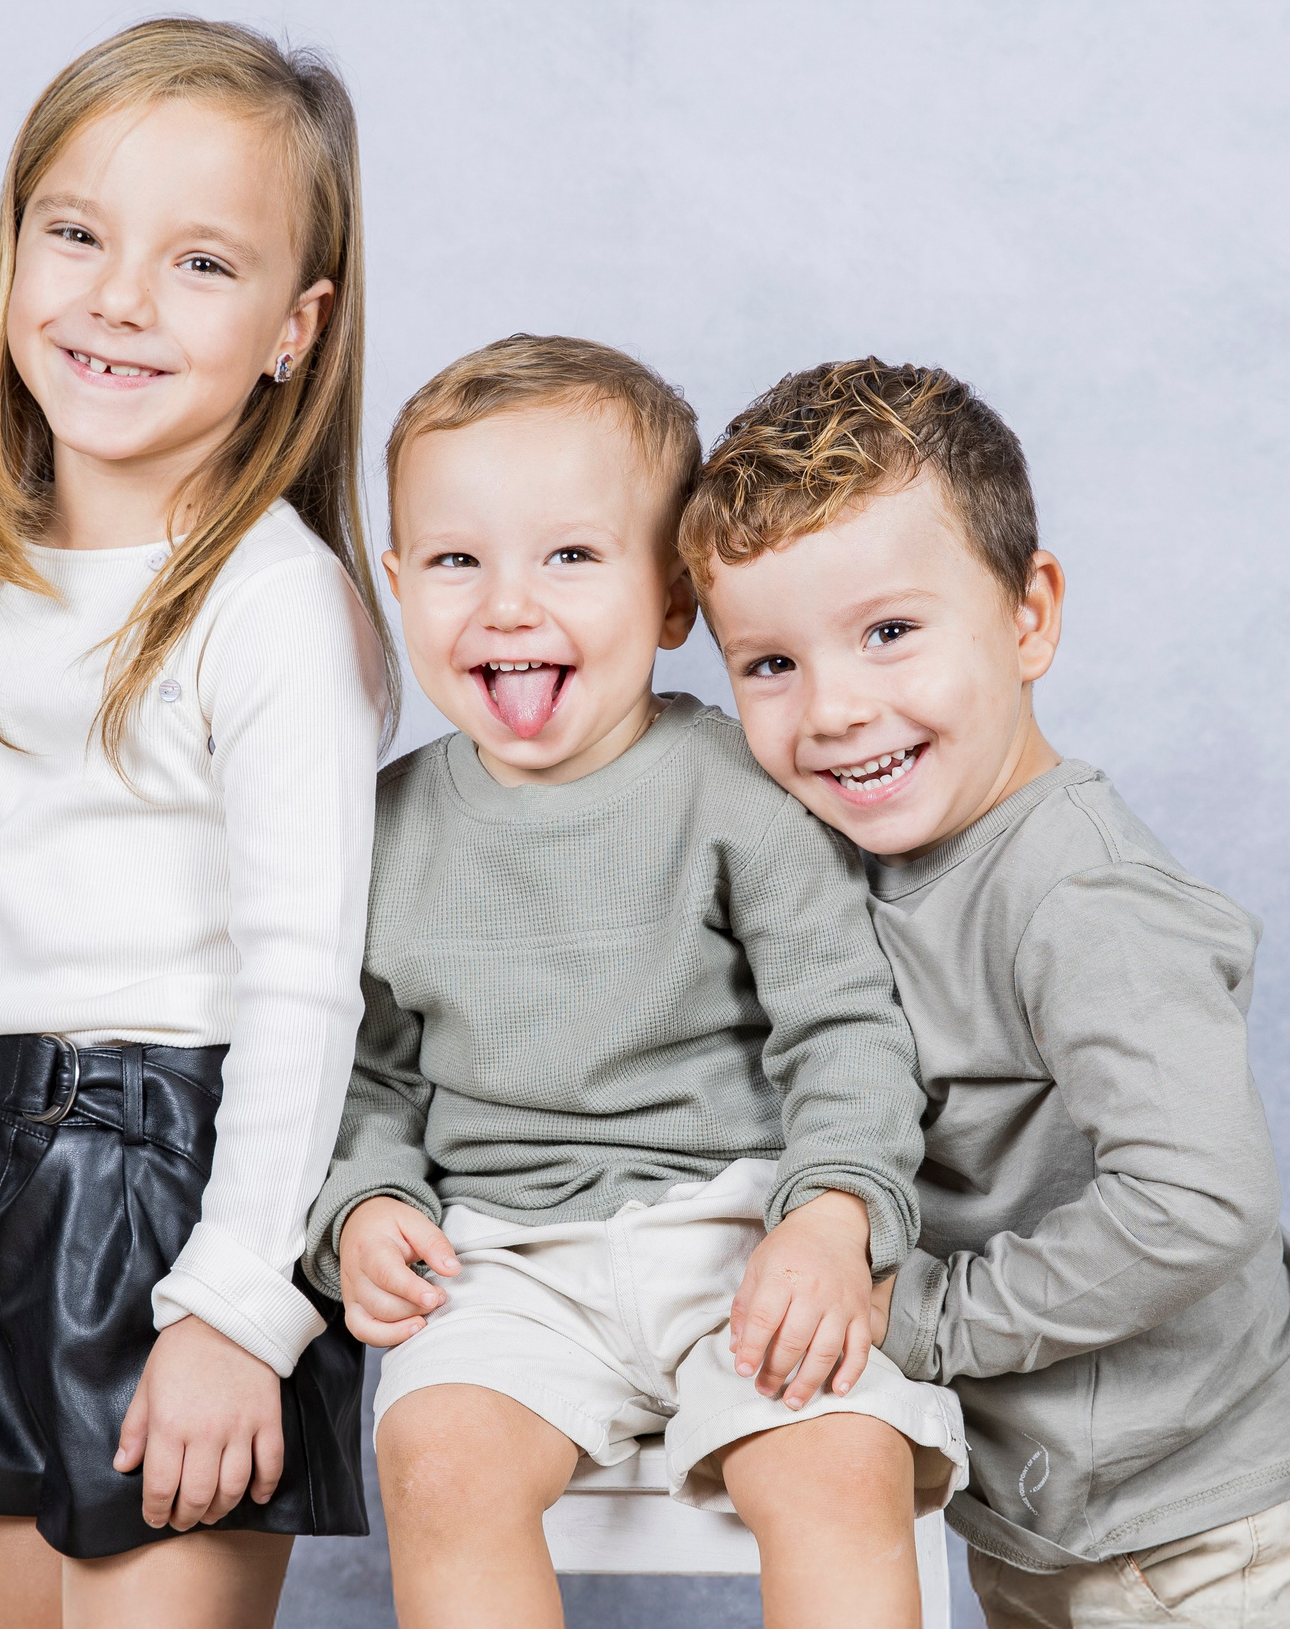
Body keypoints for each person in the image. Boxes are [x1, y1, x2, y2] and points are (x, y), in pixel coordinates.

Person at [0, 18, 390, 1629]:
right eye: (75, 232)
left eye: (201, 262)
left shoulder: (272, 603)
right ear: (11, 253)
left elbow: (305, 981)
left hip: (185, 1173)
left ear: (297, 327)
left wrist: (232, 1310)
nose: (119, 297)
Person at [684, 359, 1290, 1628]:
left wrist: (927, 1319)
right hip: (1043, 1514)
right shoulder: (834, 865)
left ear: (1029, 614)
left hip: (1214, 1519)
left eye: (890, 631)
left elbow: (1196, 1200)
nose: (836, 707)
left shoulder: (1078, 896)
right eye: (770, 662)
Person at [304, 335, 968, 1629]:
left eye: (569, 555)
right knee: (436, 1460)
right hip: (499, 1256)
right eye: (456, 559)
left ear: (673, 598)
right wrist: (366, 1200)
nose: (506, 604)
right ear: (394, 583)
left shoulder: (737, 791)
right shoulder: (380, 827)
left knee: (839, 1462)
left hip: (740, 1229)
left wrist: (835, 1214)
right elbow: (361, 1069)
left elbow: (844, 1028)